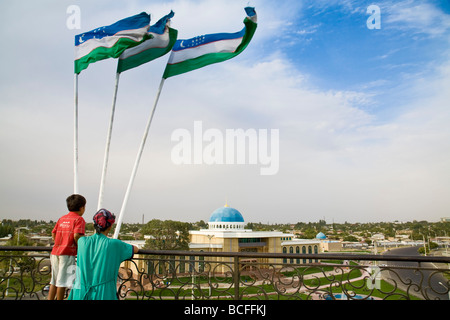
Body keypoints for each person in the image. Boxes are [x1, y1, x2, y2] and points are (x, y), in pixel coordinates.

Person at [68, 209, 139, 300]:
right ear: (110, 227)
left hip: (80, 292)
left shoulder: (82, 242)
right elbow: (135, 249)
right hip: (103, 293)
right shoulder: (114, 244)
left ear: (94, 225)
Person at [48, 194, 86, 300]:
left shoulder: (62, 218)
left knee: (54, 280)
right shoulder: (79, 220)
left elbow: (53, 233)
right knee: (62, 281)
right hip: (67, 253)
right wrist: (81, 245)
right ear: (82, 207)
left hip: (55, 252)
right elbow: (77, 235)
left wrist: (60, 243)